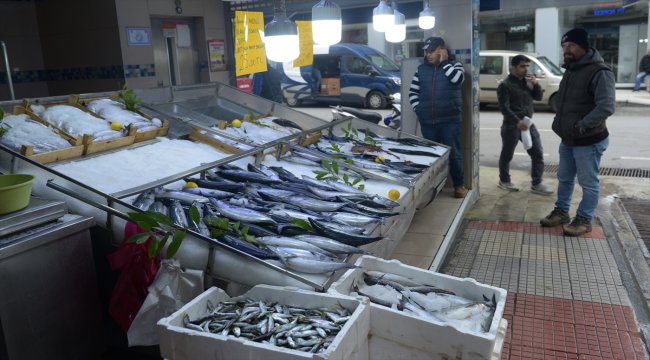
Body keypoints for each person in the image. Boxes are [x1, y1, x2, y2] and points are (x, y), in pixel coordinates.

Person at [540, 28, 616, 237]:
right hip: (569, 139)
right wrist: (560, 123)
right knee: (564, 177)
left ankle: (584, 219)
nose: (567, 50)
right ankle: (562, 212)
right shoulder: (571, 69)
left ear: (584, 46)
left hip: (589, 139)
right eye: (564, 46)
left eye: (571, 45)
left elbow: (606, 106)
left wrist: (582, 125)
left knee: (588, 183)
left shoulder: (600, 72)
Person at [409, 36, 467, 198]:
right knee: (430, 156)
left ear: (442, 50)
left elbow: (457, 80)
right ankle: (431, 187)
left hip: (450, 120)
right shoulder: (421, 70)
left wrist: (444, 62)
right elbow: (413, 92)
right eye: (427, 52)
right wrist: (418, 109)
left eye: (432, 51)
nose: (428, 55)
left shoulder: (455, 66)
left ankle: (459, 185)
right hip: (428, 121)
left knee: (454, 153)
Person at [496, 54, 553, 195]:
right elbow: (504, 108)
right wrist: (517, 121)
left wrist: (536, 84)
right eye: (522, 66)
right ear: (513, 67)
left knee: (537, 153)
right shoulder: (505, 85)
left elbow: (538, 97)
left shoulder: (528, 82)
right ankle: (504, 180)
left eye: (527, 66)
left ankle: (537, 183)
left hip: (528, 123)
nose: (526, 69)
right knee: (507, 154)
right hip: (512, 125)